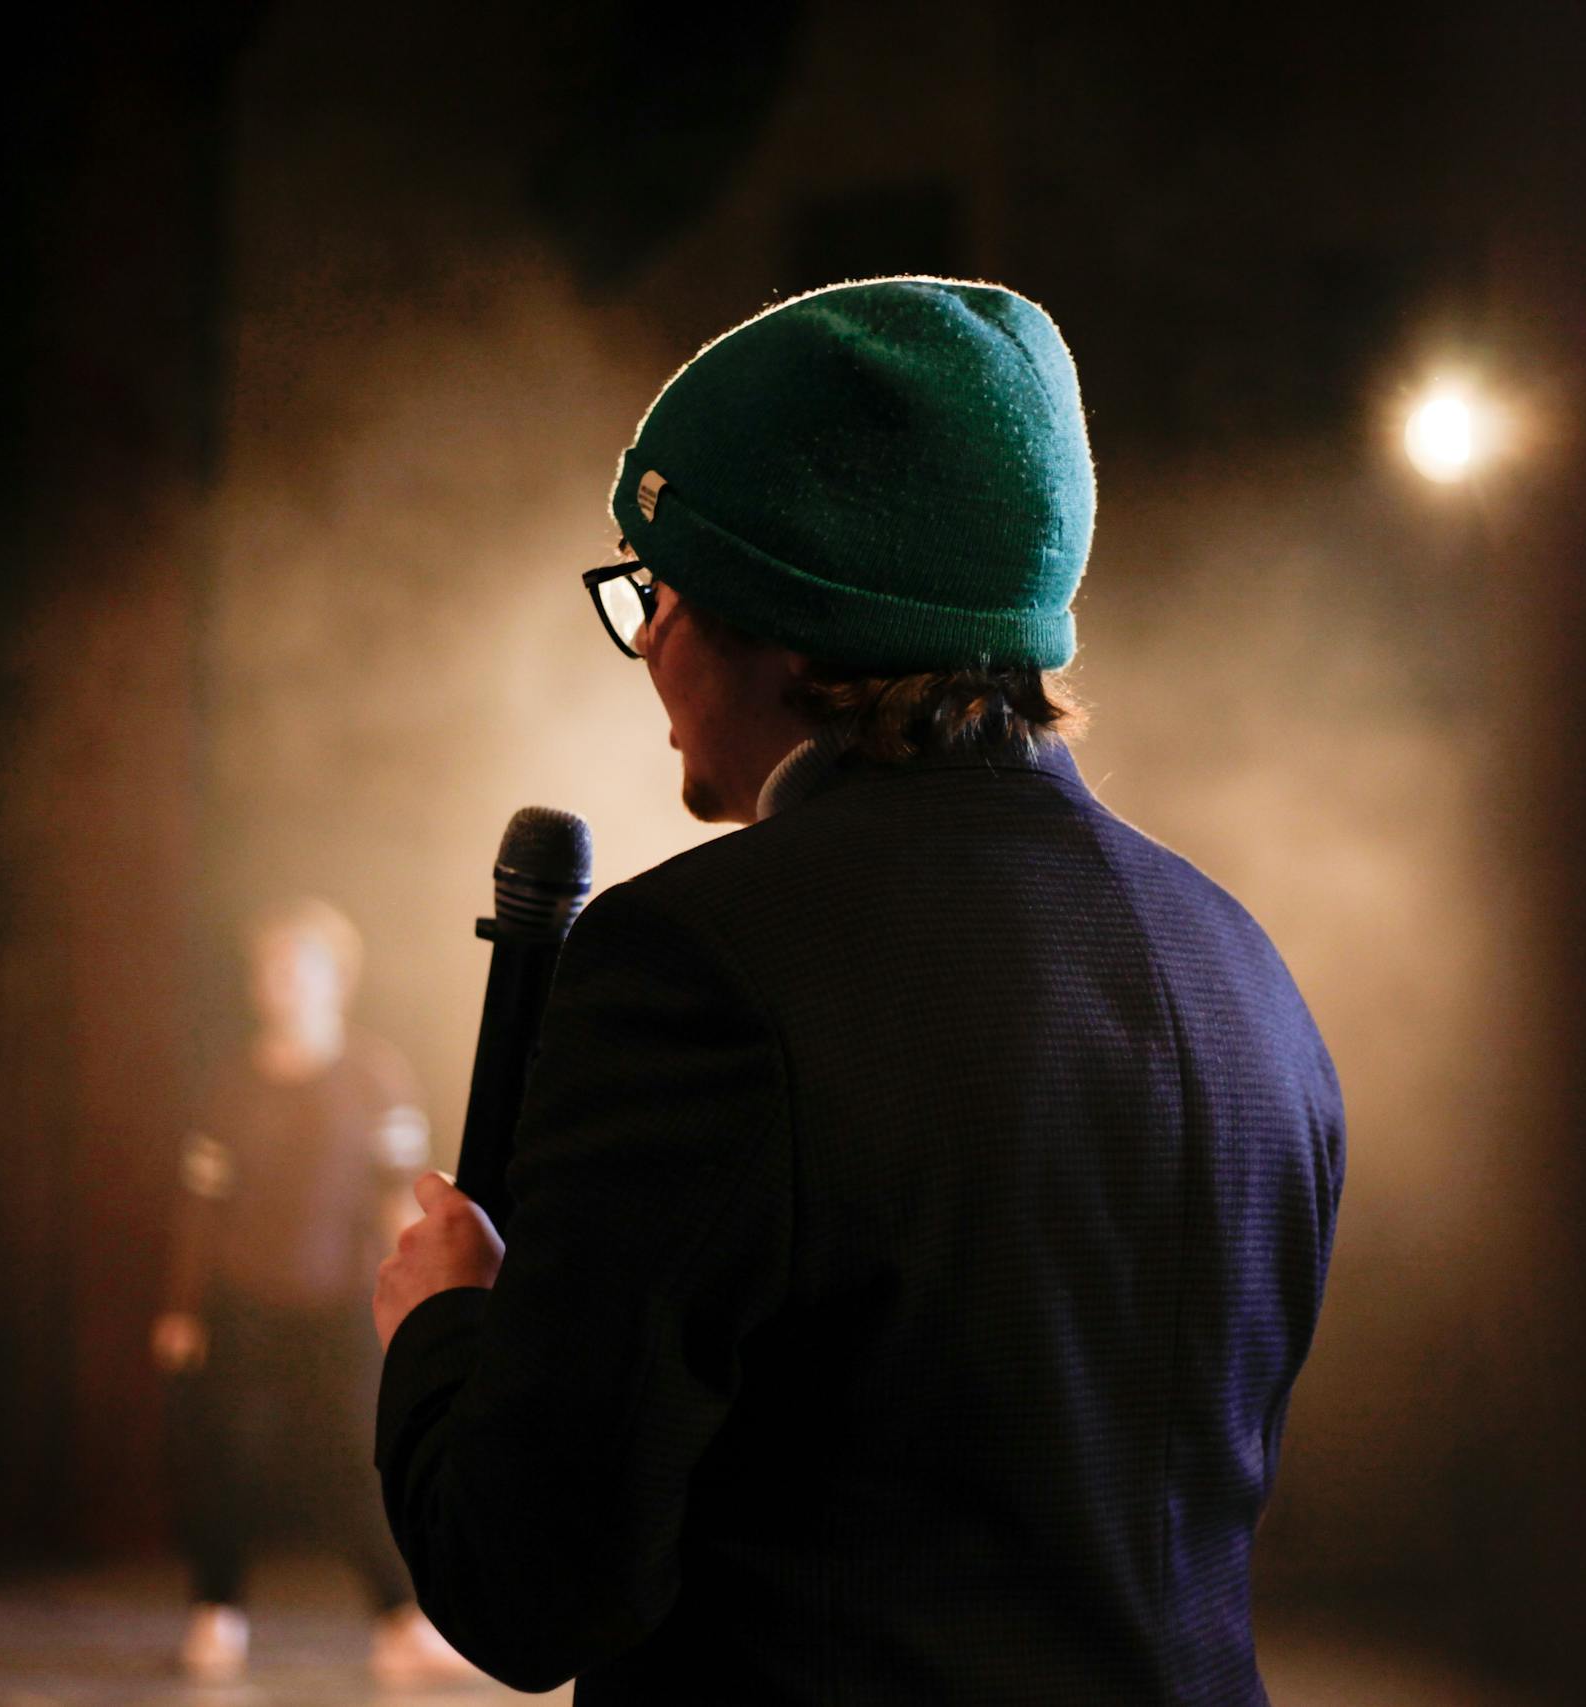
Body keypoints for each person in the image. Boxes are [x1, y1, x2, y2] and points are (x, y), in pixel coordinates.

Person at [373, 277, 1347, 1702]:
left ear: (781, 607)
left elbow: (531, 1583)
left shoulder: (697, 963)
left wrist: (446, 1322)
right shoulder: (1241, 967)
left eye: (664, 589)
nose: (646, 640)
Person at [152, 897, 472, 1686]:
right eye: (273, 968)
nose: (285, 983)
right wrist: (182, 1308)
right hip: (246, 1301)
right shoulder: (229, 1084)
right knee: (229, 1459)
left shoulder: (374, 1075)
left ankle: (400, 1622)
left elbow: (400, 1193)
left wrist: (421, 1302)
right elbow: (200, 1203)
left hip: (344, 1305)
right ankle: (215, 1614)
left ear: (338, 980)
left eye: (302, 968)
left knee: (366, 1460)